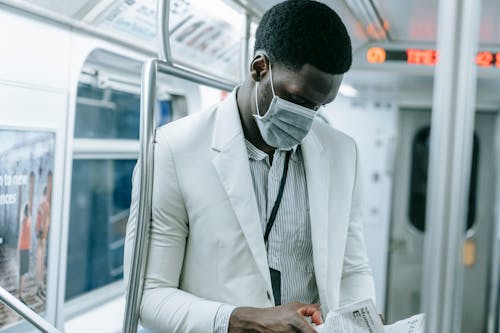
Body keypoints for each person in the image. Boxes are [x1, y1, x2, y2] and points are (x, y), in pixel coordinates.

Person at [124, 1, 376, 332]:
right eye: (300, 100)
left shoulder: (343, 153)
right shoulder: (173, 151)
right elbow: (148, 296)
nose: (309, 118)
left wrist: (363, 323)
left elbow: (352, 269)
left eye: (320, 106)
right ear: (260, 68)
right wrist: (241, 320)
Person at [35, 170, 52, 298]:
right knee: (41, 261)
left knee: (40, 260)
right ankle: (40, 285)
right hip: (43, 235)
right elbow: (43, 220)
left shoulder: (42, 203)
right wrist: (43, 232)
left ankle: (39, 285)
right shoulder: (45, 204)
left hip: (41, 234)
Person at [18, 203, 31, 300]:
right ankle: (20, 293)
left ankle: (21, 291)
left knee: (22, 272)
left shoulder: (23, 221)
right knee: (23, 272)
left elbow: (21, 236)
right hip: (25, 248)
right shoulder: (28, 221)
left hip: (22, 248)